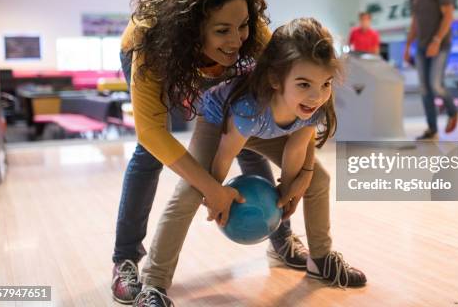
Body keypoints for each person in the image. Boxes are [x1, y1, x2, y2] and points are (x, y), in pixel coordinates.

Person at [134, 18, 367, 306]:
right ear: (274, 79)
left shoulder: (315, 103)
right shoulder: (250, 106)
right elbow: (225, 154)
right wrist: (214, 194)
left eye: (325, 84)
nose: (316, 95)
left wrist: (288, 191)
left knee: (318, 179)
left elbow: (297, 148)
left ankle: (320, 260)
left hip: (259, 128)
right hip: (220, 122)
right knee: (190, 191)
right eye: (304, 84)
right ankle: (153, 283)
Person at [112, 0, 307, 304]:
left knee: (246, 124)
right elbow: (151, 133)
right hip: (155, 48)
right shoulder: (150, 44)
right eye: (222, 30)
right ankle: (124, 259)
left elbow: (294, 102)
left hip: (202, 51)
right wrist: (211, 189)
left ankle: (281, 239)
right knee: (149, 155)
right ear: (193, 31)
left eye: (242, 26)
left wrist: (302, 173)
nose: (236, 40)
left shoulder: (251, 34)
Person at [403, 0, 458, 140]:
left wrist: (436, 40)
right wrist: (407, 46)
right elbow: (415, 22)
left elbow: (449, 16)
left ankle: (453, 111)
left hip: (440, 45)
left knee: (436, 85)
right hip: (421, 46)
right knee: (425, 90)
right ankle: (432, 129)